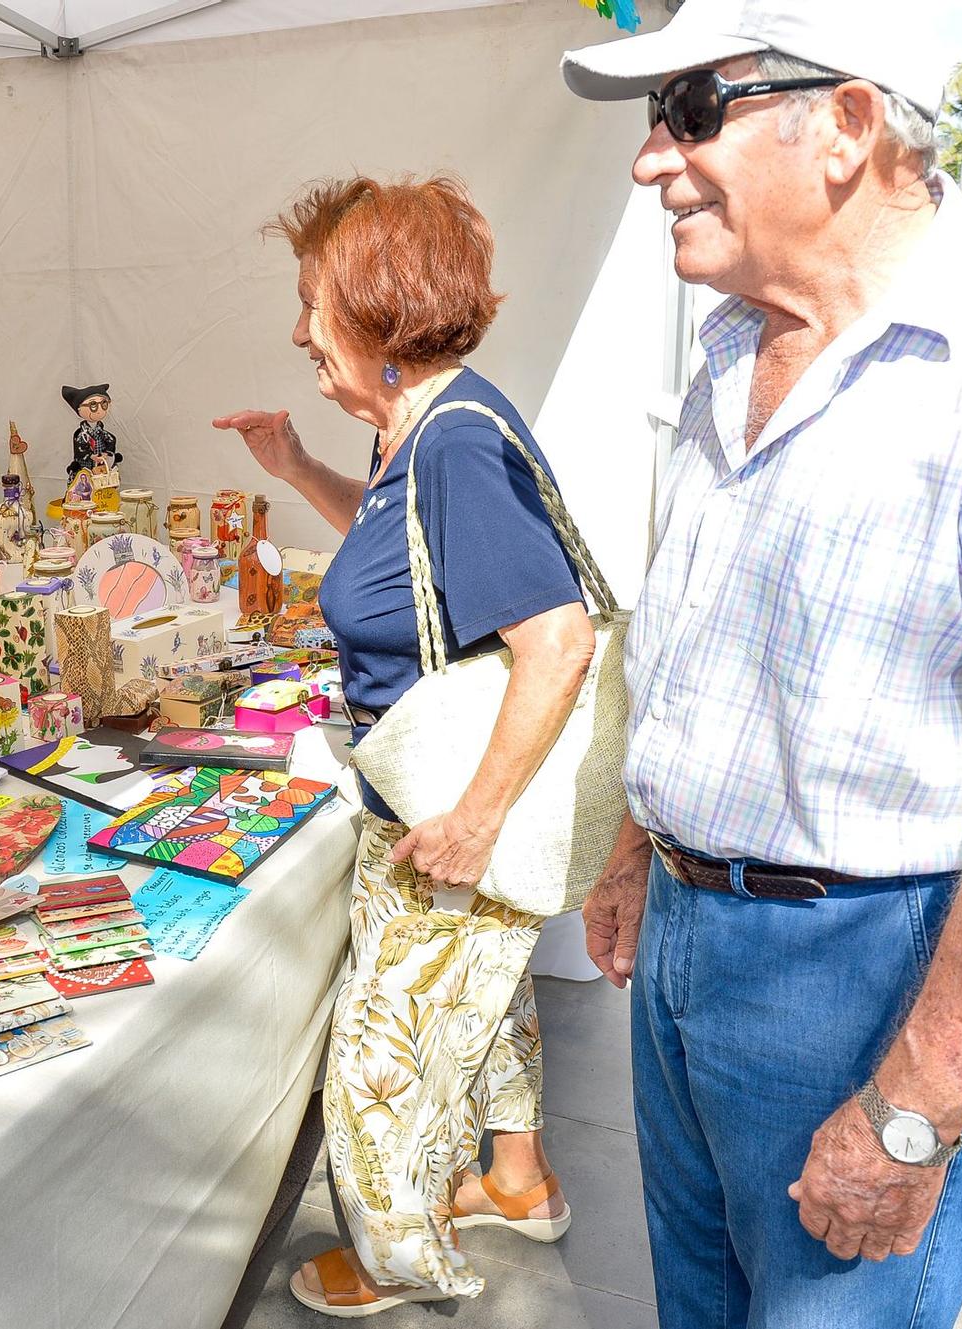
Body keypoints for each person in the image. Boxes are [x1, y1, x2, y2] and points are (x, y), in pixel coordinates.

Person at [560, 4, 962, 1327]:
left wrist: (914, 1106)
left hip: (864, 968)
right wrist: (641, 844)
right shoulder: (732, 343)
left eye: (689, 111)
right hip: (691, 942)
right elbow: (702, 638)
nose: (649, 158)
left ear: (849, 123)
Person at [213, 175, 598, 1316]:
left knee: (380, 1057)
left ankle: (395, 1261)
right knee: (485, 997)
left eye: (309, 302)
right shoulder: (422, 428)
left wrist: (472, 821)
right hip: (436, 797)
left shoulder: (453, 444)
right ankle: (516, 1181)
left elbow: (558, 638)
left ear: (376, 307)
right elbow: (403, 571)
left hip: (440, 810)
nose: (296, 332)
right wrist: (297, 471)